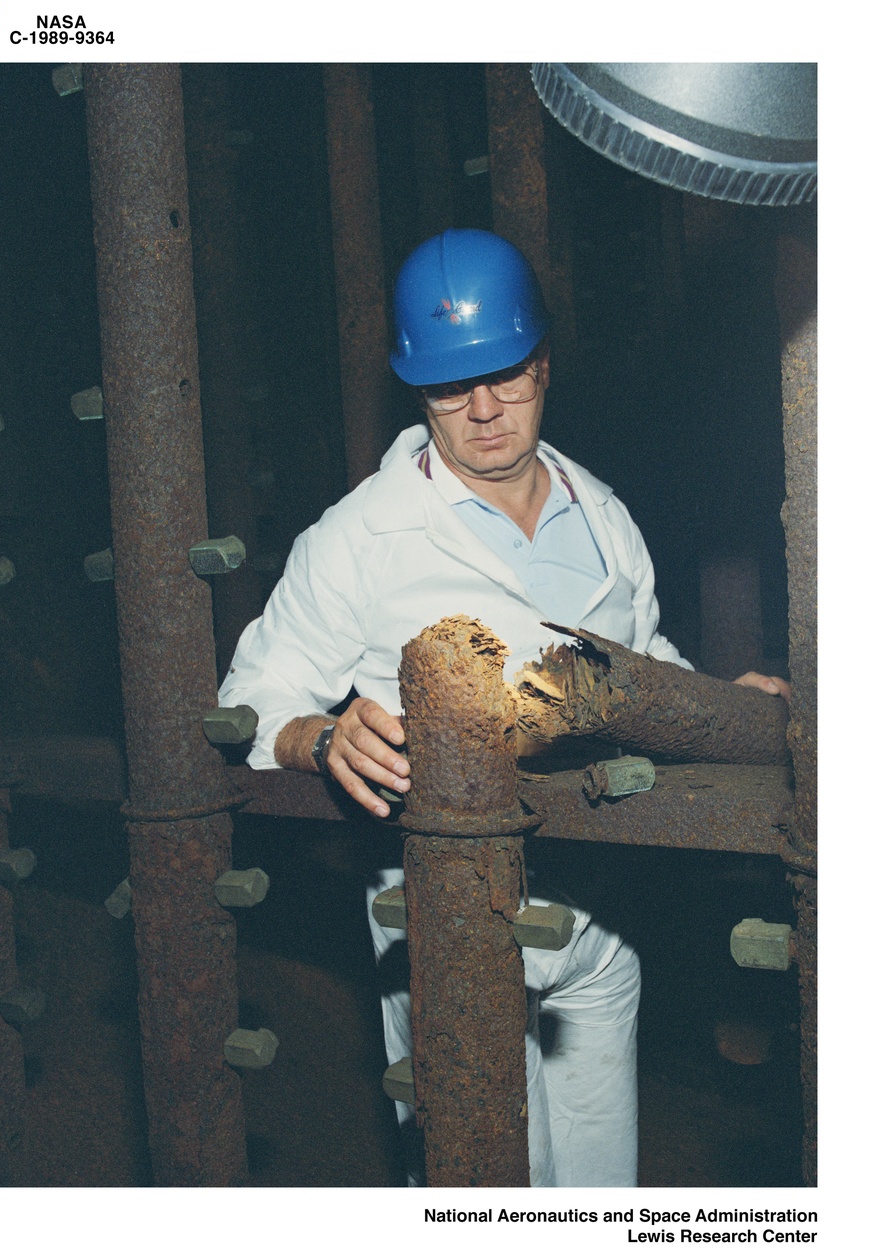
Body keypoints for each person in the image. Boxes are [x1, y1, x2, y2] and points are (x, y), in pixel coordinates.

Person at [218, 228, 788, 1186]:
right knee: (475, 1185)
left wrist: (717, 704)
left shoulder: (603, 511)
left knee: (602, 1194)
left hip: (606, 918)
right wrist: (319, 735)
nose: (483, 410)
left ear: (544, 361)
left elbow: (645, 665)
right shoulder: (358, 537)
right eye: (450, 386)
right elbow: (249, 702)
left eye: (508, 375)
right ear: (417, 388)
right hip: (446, 916)